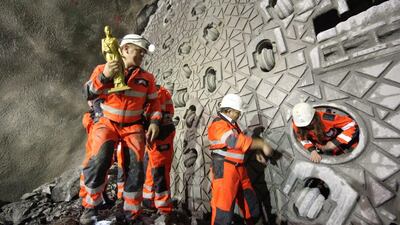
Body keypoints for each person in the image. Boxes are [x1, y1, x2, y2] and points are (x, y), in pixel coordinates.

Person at [79, 33, 161, 225]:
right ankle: (90, 208)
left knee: (137, 167)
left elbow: (154, 104)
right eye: (138, 52)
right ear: (124, 50)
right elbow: (87, 92)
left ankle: (132, 212)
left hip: (133, 126)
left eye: (143, 53)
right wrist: (104, 76)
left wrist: (155, 122)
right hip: (107, 122)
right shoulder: (103, 68)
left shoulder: (147, 78)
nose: (142, 56)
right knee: (99, 159)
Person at [208, 93, 273, 225]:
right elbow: (233, 141)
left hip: (238, 169)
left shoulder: (232, 124)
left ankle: (254, 221)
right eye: (238, 112)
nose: (240, 115)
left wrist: (255, 152)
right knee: (223, 209)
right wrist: (261, 144)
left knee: (250, 201)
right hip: (225, 170)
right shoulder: (218, 125)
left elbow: (237, 148)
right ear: (229, 111)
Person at [142, 85, 175, 223]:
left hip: (161, 134)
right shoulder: (155, 92)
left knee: (159, 171)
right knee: (150, 169)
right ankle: (149, 201)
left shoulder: (158, 93)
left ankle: (164, 208)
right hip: (153, 134)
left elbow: (156, 114)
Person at [292, 102, 359, 163]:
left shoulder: (326, 118)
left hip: (337, 139)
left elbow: (352, 124)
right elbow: (302, 139)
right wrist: (312, 150)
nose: (307, 126)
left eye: (310, 124)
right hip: (320, 145)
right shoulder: (298, 124)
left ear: (314, 116)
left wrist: (335, 142)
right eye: (304, 126)